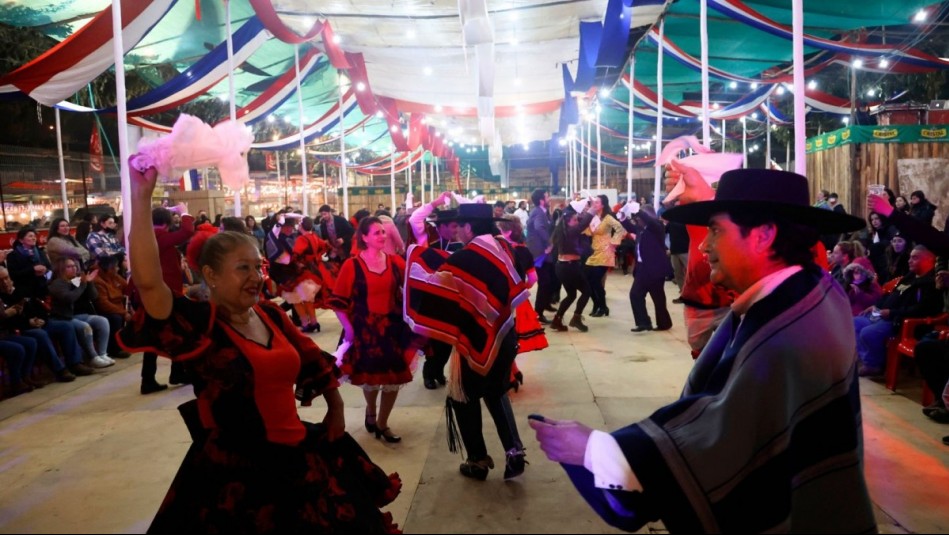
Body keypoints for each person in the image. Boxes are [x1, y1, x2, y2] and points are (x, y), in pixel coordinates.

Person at [530, 168, 875, 533]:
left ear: (764, 235)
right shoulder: (812, 290)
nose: (706, 245)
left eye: (716, 230)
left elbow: (724, 441)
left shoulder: (786, 334)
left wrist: (597, 451)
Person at [119, 156, 401, 533]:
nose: (256, 277)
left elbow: (314, 359)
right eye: (243, 269)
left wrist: (335, 408)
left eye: (258, 267)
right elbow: (150, 283)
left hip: (299, 454)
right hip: (237, 478)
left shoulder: (270, 315)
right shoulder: (202, 325)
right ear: (211, 275)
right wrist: (140, 197)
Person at [405, 203, 530, 481]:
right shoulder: (506, 250)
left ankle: (477, 460)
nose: (456, 230)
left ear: (469, 227)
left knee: (463, 397)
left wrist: (413, 261)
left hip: (474, 339)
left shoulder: (466, 258)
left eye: (459, 225)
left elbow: (434, 285)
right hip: (505, 334)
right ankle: (515, 452)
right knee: (497, 393)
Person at [330, 217, 418, 443]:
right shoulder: (352, 265)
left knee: (393, 378)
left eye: (383, 231)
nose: (383, 235)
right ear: (364, 238)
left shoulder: (395, 261)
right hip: (364, 330)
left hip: (391, 328)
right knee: (370, 378)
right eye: (377, 232)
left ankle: (382, 423)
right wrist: (348, 328)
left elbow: (413, 283)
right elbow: (338, 302)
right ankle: (370, 409)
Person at [136, 205, 195, 394]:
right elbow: (187, 231)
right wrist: (184, 210)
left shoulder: (144, 236)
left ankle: (154, 378)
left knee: (161, 335)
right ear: (168, 222)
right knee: (173, 333)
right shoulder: (159, 236)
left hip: (152, 292)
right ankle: (168, 375)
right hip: (165, 293)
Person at [550, 205, 594, 332]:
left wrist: (584, 210)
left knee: (571, 295)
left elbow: (581, 223)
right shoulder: (570, 232)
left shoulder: (562, 231)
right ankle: (576, 318)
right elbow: (583, 224)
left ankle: (557, 319)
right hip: (570, 267)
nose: (577, 222)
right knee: (586, 291)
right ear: (568, 222)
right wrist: (592, 210)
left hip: (562, 267)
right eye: (574, 220)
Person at [583, 194, 626, 318]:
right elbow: (587, 231)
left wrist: (614, 243)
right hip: (594, 252)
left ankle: (601, 306)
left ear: (602, 205)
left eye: (597, 202)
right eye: (593, 202)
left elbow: (620, 229)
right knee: (587, 281)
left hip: (606, 252)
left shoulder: (607, 218)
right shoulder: (592, 217)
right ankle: (599, 305)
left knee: (596, 281)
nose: (594, 204)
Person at [527, 189, 557, 324]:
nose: (549, 198)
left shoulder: (541, 212)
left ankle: (545, 304)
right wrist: (549, 243)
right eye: (547, 196)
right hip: (541, 254)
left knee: (550, 280)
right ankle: (538, 312)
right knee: (545, 282)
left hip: (544, 253)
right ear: (541, 200)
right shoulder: (538, 213)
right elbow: (539, 228)